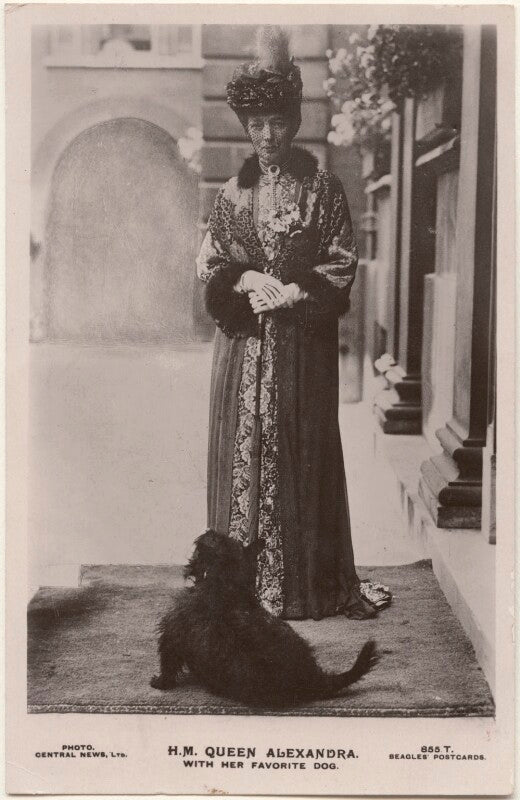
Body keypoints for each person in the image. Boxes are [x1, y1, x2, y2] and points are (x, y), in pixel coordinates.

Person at [196, 26, 391, 621]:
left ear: (293, 120)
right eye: (255, 124)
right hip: (242, 351)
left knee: (301, 451)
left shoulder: (324, 190)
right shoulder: (232, 194)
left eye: (277, 121)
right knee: (242, 453)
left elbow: (340, 260)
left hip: (302, 349)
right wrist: (247, 280)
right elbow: (213, 260)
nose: (266, 135)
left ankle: (302, 583)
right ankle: (239, 585)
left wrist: (293, 292)